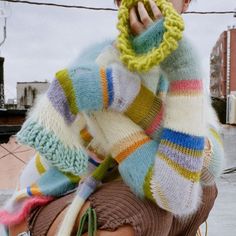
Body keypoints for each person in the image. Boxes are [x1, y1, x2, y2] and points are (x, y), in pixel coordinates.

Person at [4, 0, 223, 235]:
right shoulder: (101, 65)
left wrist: (138, 95)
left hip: (121, 195)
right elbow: (171, 190)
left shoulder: (180, 77)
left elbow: (210, 166)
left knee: (204, 191)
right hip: (59, 195)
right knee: (146, 209)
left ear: (186, 3)